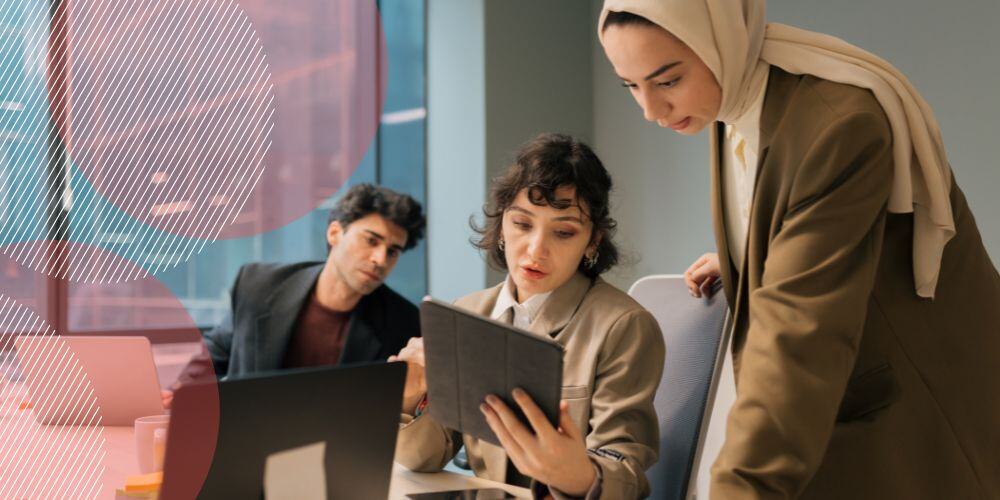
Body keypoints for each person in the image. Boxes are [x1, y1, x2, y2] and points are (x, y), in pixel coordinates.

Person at [598, 1, 1000, 499]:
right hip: (842, 407)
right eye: (631, 85)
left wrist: (738, 489)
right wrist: (753, 252)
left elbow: (798, 336)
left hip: (917, 405)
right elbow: (793, 201)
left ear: (721, 40)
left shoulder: (837, 125)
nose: (650, 111)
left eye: (666, 81)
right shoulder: (734, 95)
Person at [392, 133, 665, 499]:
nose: (536, 249)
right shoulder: (468, 312)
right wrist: (409, 399)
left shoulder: (624, 326)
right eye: (522, 224)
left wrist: (580, 475)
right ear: (502, 225)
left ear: (593, 241)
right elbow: (425, 458)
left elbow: (625, 472)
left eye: (564, 232)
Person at [164, 183, 425, 407]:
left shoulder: (403, 322)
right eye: (371, 240)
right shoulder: (259, 285)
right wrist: (180, 393)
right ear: (335, 233)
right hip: (249, 439)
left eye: (393, 251)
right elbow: (220, 348)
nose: (380, 259)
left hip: (338, 452)